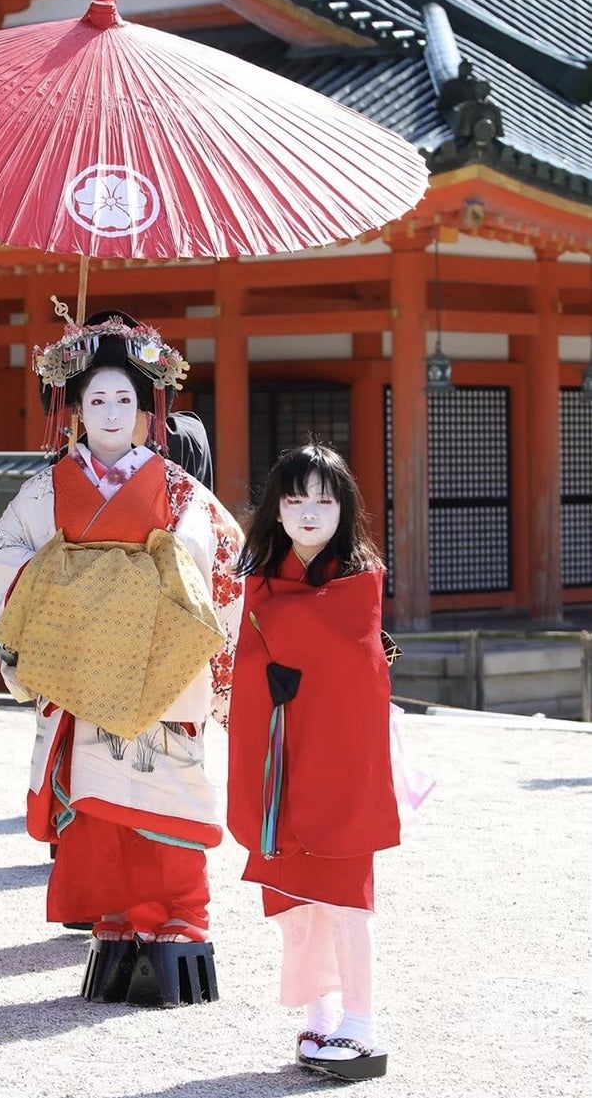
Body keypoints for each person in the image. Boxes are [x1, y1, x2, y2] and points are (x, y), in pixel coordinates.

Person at [0, 309, 244, 991]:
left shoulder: (178, 489)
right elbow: (4, 552)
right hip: (81, 670)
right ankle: (117, 919)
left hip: (159, 669)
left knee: (167, 796)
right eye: (95, 399)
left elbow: (219, 559)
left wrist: (124, 585)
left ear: (144, 412)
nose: (109, 411)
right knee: (99, 808)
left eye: (123, 399)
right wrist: (74, 590)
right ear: (75, 410)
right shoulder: (47, 488)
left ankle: (179, 919)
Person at [225, 442, 402, 1081]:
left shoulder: (358, 580)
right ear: (275, 508)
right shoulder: (261, 577)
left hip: (339, 764)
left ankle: (362, 1024)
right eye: (294, 498)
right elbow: (250, 672)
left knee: (348, 900)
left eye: (323, 501)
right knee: (295, 902)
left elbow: (348, 664)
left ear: (343, 509)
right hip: (281, 760)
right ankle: (322, 1013)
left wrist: (284, 640)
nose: (307, 513)